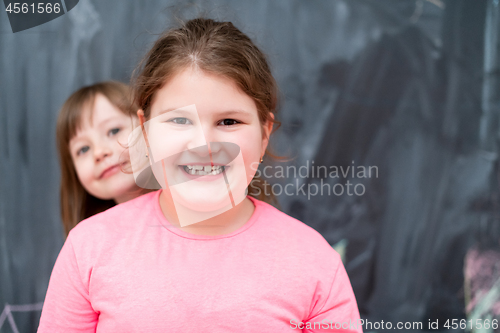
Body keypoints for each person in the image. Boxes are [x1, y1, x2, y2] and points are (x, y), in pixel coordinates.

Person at [38, 18, 362, 332]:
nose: (204, 145)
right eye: (179, 121)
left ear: (264, 135)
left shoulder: (313, 261)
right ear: (146, 132)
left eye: (228, 122)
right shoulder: (89, 248)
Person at [55, 81, 148, 237]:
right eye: (83, 149)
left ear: (146, 126)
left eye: (113, 131)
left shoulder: (196, 213)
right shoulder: (85, 243)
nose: (99, 152)